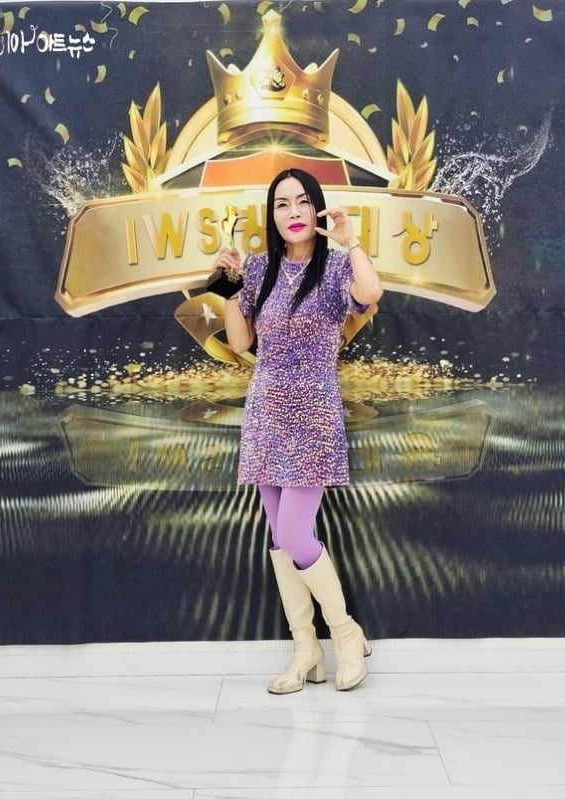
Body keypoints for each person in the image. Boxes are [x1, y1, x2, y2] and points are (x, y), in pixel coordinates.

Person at [215, 167, 383, 694]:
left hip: (312, 413)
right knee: (279, 539)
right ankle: (305, 649)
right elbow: (239, 342)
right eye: (281, 204)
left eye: (302, 201)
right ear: (272, 215)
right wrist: (227, 283)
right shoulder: (259, 267)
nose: (292, 212)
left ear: (318, 208)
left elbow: (371, 291)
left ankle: (346, 634)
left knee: (294, 534)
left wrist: (352, 242)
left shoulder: (335, 268)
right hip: (265, 412)